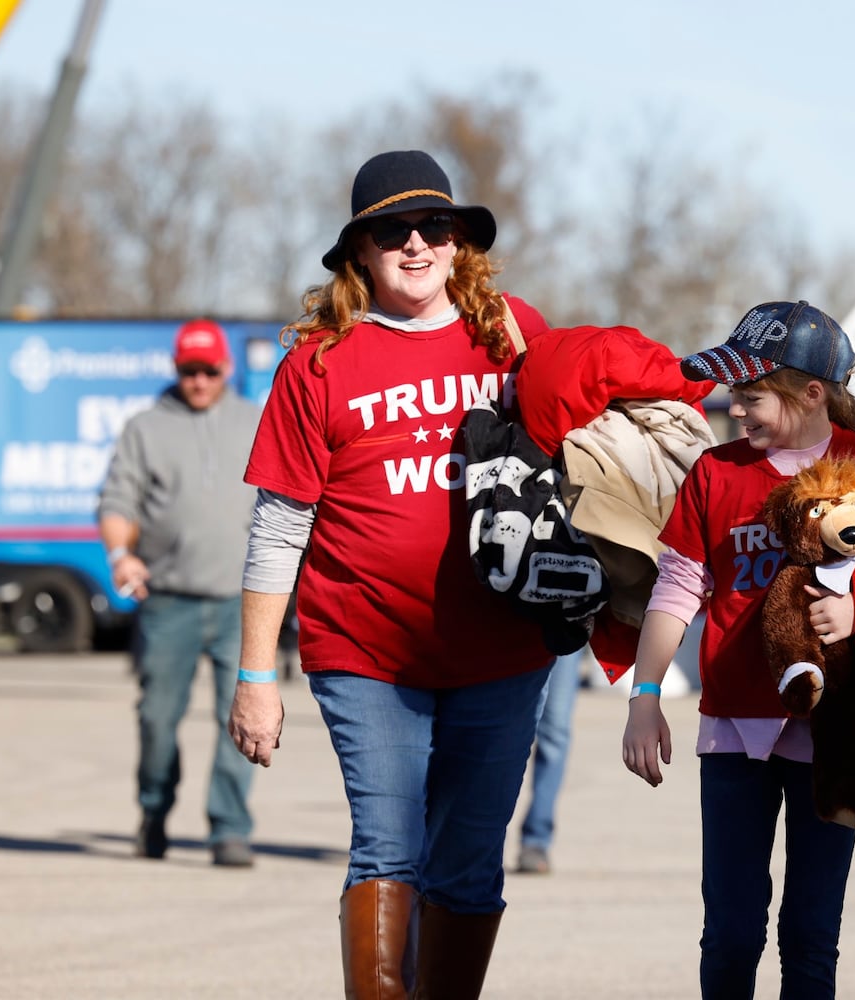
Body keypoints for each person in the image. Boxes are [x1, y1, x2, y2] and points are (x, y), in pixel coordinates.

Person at [227, 149, 559, 1000]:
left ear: (459, 243)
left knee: (472, 861)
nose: (416, 245)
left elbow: (598, 449)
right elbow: (279, 524)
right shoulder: (320, 362)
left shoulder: (513, 335)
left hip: (502, 649)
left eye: (434, 226)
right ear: (361, 253)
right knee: (388, 849)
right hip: (364, 649)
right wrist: (257, 674)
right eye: (393, 231)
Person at [622, 300, 855, 999]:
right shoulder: (716, 473)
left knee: (811, 935)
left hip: (835, 735)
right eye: (733, 396)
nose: (735, 411)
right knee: (731, 931)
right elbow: (677, 589)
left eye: (751, 397)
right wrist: (645, 694)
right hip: (732, 732)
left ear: (812, 393)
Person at [97, 318, 262, 868]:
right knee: (156, 718)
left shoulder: (254, 421)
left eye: (208, 370)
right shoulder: (146, 427)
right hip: (168, 600)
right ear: (176, 370)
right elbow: (118, 500)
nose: (198, 381)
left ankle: (229, 828)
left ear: (226, 368)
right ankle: (154, 807)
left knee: (240, 720)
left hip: (241, 600)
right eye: (188, 371)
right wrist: (123, 554)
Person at [514, 647, 584, 875]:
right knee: (502, 732)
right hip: (508, 621)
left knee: (556, 730)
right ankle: (480, 841)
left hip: (565, 621)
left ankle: (536, 839)